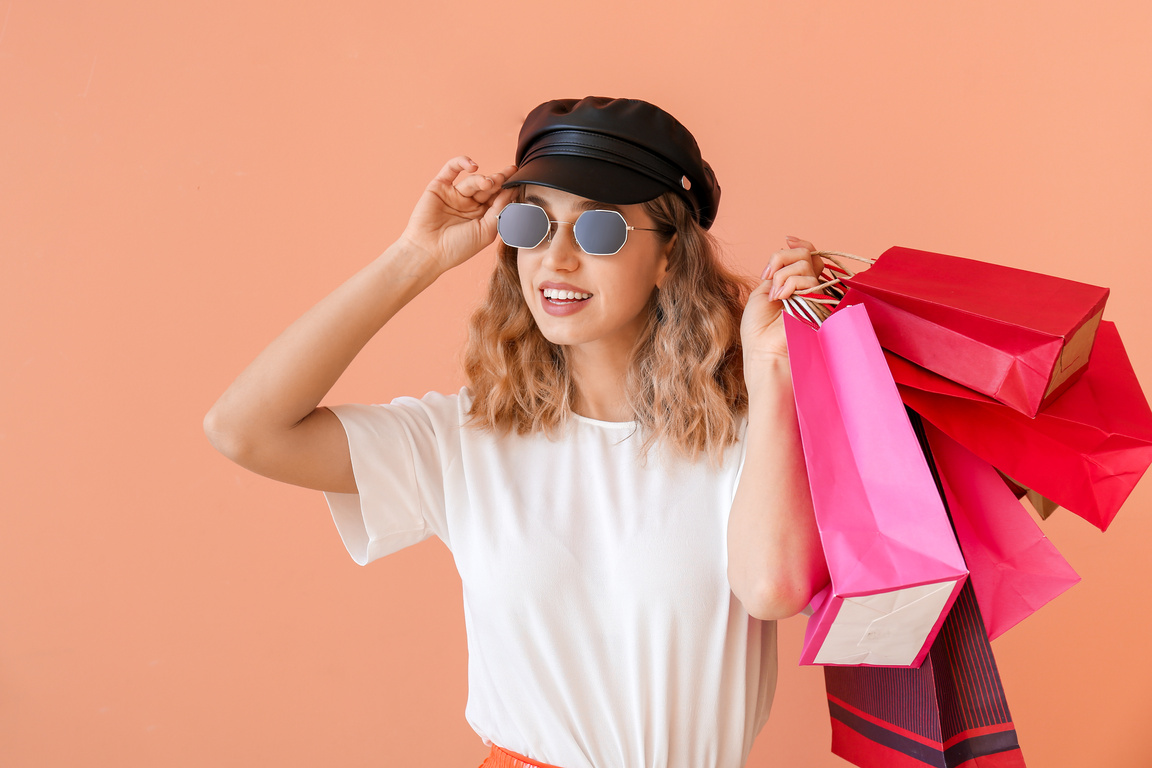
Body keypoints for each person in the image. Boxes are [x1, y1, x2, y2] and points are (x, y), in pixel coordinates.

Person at [204, 96, 829, 768]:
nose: (556, 259)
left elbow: (772, 589)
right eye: (533, 224)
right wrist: (417, 255)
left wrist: (771, 371)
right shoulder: (465, 439)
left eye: (600, 232)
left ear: (669, 258)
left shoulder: (747, 437)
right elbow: (244, 430)